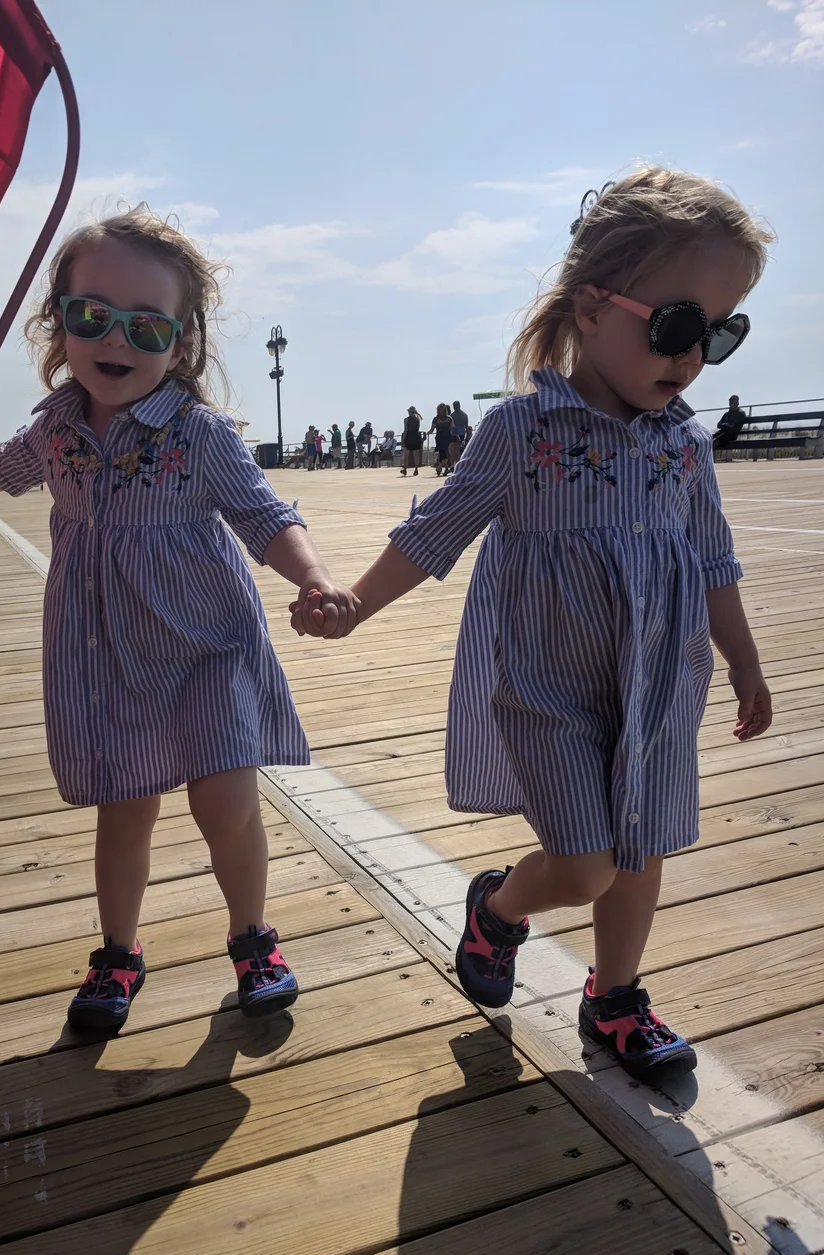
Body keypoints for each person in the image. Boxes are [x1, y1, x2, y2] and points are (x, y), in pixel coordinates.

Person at [292, 166, 774, 1079]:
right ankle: (499, 910)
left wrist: (744, 662)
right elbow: (436, 529)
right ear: (592, 310)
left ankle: (616, 999)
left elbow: (713, 561)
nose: (692, 355)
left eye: (720, 334)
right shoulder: (525, 431)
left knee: (643, 847)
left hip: (660, 682)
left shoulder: (683, 442)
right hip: (548, 689)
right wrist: (353, 601)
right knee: (586, 863)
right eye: (676, 326)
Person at [0, 205, 357, 1033]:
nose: (116, 341)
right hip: (106, 649)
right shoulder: (57, 430)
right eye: (93, 317)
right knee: (127, 809)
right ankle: (119, 949)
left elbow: (265, 516)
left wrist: (314, 574)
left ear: (181, 344)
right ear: (61, 323)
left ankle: (252, 936)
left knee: (226, 801)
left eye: (148, 328)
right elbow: (3, 470)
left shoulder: (200, 434)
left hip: (205, 646)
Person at [428, 403, 453, 476]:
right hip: (441, 437)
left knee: (445, 453)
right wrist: (429, 432)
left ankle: (440, 467)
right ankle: (444, 468)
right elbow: (432, 429)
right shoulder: (438, 419)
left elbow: (452, 427)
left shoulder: (448, 418)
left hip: (445, 437)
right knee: (443, 453)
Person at [449, 400, 469, 471]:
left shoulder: (451, 416)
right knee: (460, 450)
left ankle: (457, 465)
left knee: (455, 451)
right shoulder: (464, 415)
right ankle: (460, 465)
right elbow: (466, 426)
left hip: (454, 433)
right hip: (462, 432)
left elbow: (451, 426)